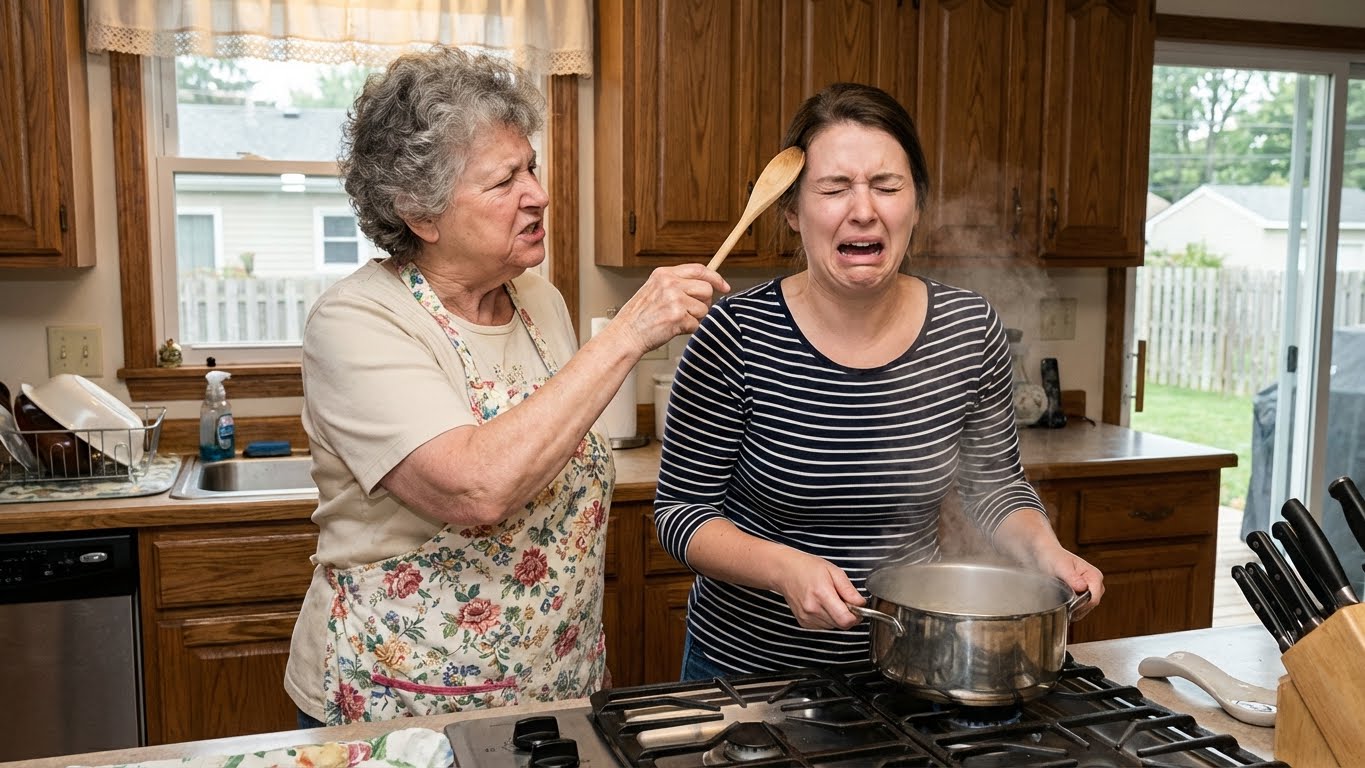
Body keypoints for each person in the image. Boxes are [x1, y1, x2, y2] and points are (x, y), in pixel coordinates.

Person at [284, 45, 729, 725]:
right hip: (401, 703)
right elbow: (473, 487)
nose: (537, 194)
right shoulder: (357, 320)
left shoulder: (536, 300)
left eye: (531, 167)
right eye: (502, 182)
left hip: (554, 690)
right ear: (420, 211)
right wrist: (627, 333)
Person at [653, 82, 1104, 679]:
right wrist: (784, 568)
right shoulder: (734, 333)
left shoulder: (969, 329)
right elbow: (681, 513)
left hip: (911, 667)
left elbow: (993, 490)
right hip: (747, 673)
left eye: (887, 186)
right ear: (791, 211)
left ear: (916, 203)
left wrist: (1048, 553)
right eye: (834, 188)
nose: (862, 209)